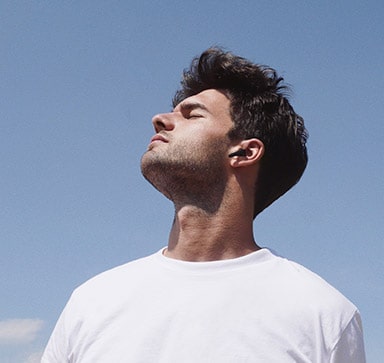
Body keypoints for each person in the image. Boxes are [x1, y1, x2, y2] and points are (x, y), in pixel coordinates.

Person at [42, 47, 366, 362]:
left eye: (192, 114)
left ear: (244, 152)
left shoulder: (322, 314)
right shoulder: (93, 301)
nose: (159, 120)